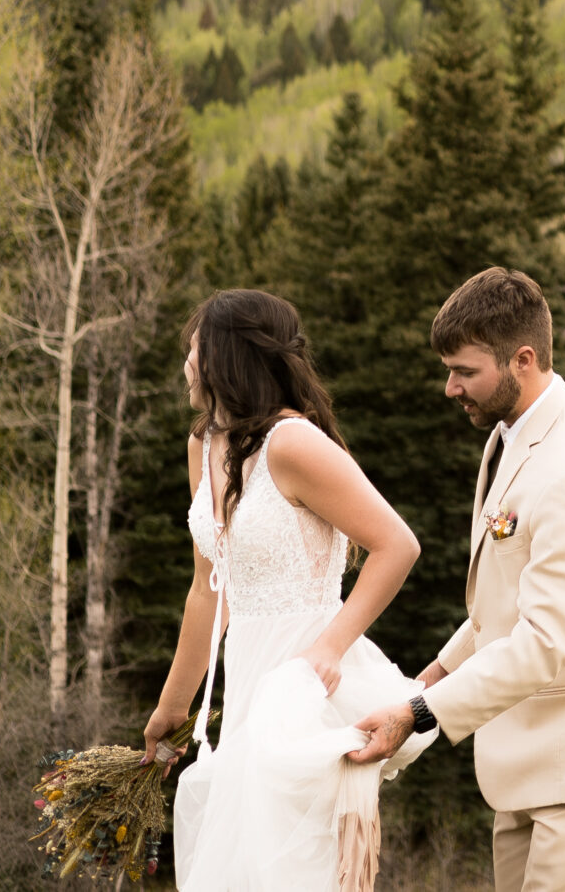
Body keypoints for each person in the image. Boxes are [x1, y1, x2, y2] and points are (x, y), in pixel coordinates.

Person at [349, 266, 565, 892]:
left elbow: (544, 640)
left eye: (465, 371)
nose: (450, 388)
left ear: (523, 359)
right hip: (532, 757)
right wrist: (432, 675)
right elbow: (504, 602)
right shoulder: (511, 437)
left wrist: (419, 712)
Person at [144, 289, 437, 892]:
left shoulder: (294, 444)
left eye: (194, 349)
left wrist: (328, 648)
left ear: (227, 355)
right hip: (249, 680)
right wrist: (173, 707)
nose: (186, 364)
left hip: (307, 681)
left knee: (294, 870)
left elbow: (396, 546)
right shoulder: (202, 448)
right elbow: (208, 591)